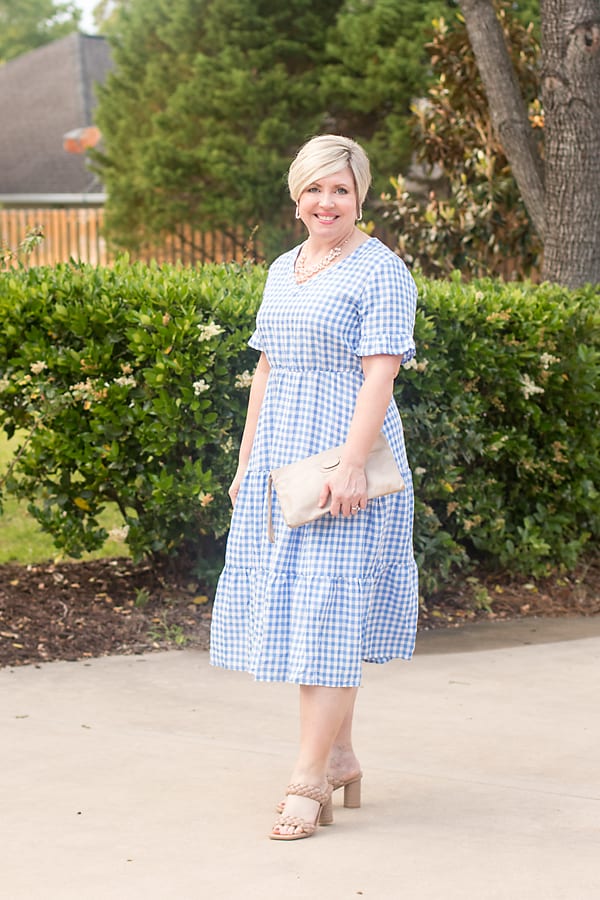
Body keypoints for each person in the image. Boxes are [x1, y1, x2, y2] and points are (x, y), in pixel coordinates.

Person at [210, 134, 418, 841]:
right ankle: (342, 756)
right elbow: (266, 372)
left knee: (328, 611)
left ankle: (308, 778)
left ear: (361, 197)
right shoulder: (281, 269)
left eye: (341, 189)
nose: (326, 201)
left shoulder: (382, 271)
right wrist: (245, 465)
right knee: (315, 612)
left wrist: (354, 465)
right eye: (315, 188)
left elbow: (381, 373)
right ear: (295, 195)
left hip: (344, 463)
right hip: (282, 461)